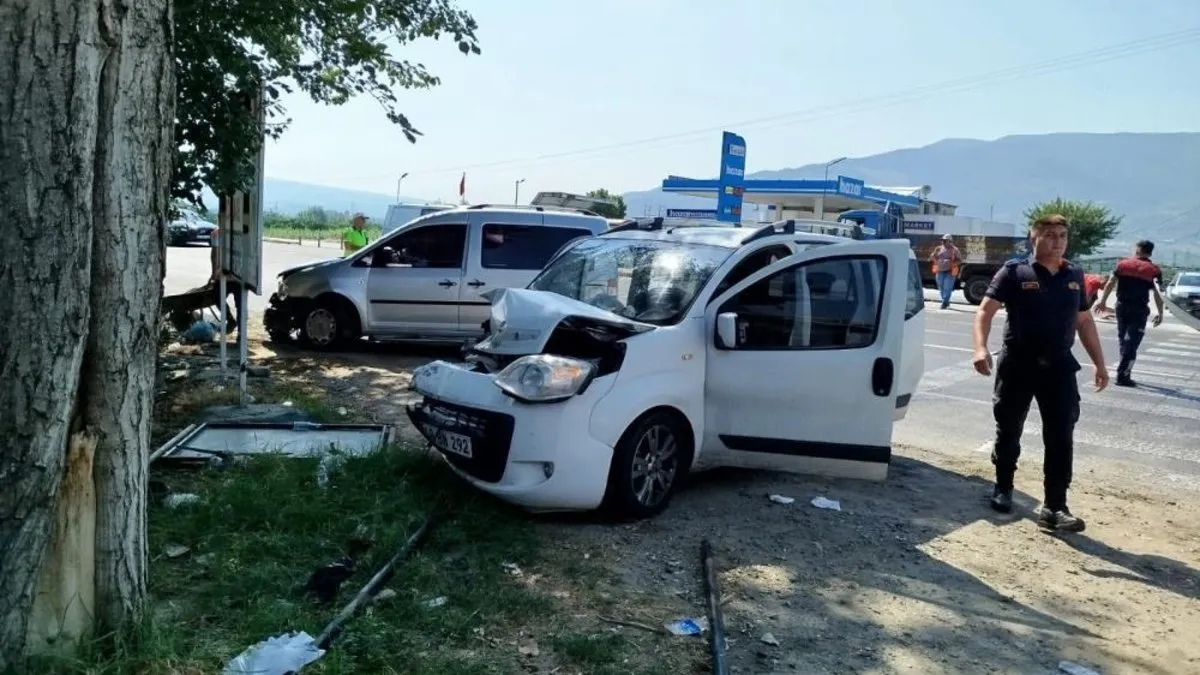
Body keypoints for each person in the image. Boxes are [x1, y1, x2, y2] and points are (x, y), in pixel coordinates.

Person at [971, 213, 1108, 532]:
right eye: (1050, 235)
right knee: (1009, 427)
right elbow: (985, 311)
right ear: (1034, 239)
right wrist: (980, 348)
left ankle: (1055, 507)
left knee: (1061, 435)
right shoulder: (1014, 272)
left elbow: (1084, 321)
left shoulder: (1074, 273)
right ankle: (1004, 488)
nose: (1057, 241)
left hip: (1059, 367)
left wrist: (1099, 364)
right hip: (1018, 363)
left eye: (1062, 235)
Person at [1095, 240, 1165, 387]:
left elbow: (1111, 283)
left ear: (1138, 250)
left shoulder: (1123, 264)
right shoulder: (1154, 270)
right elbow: (1158, 293)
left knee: (1123, 340)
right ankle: (1123, 376)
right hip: (1139, 310)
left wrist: (1103, 301)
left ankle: (1123, 373)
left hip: (1121, 307)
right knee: (1132, 343)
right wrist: (1160, 312)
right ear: (1150, 252)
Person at [929, 233, 961, 309]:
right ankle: (945, 300)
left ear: (950, 241)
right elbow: (932, 257)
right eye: (942, 240)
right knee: (940, 286)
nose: (943, 242)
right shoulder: (939, 248)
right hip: (939, 271)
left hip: (949, 271)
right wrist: (935, 253)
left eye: (945, 240)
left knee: (947, 287)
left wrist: (952, 263)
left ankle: (944, 302)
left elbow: (959, 260)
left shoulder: (955, 250)